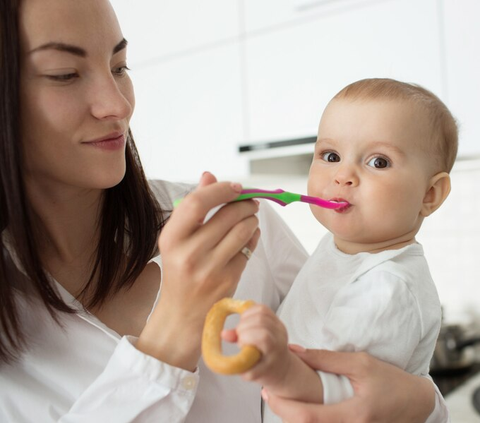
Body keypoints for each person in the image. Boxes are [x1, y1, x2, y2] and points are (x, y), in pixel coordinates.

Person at [0, 0, 449, 421]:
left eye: (120, 66)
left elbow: (365, 371)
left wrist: (422, 403)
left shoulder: (242, 228)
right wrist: (174, 326)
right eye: (64, 74)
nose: (118, 105)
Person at [229, 78, 457, 422]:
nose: (343, 175)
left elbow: (342, 390)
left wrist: (275, 362)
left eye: (379, 162)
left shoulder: (386, 286)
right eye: (330, 155)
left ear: (429, 194)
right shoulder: (342, 248)